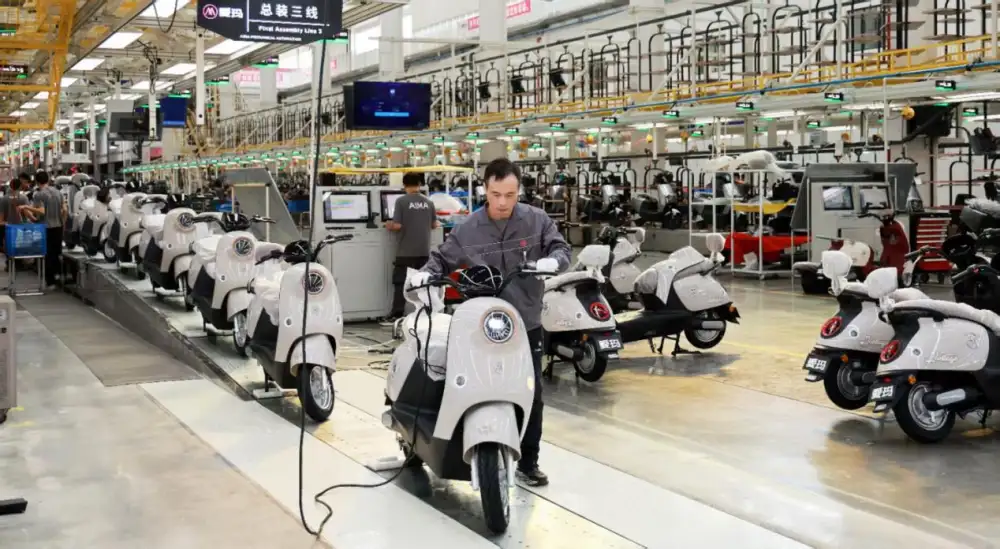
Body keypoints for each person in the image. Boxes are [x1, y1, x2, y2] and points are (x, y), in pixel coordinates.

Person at [411, 158, 571, 486]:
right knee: (462, 382)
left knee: (531, 393)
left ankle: (529, 461)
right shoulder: (468, 228)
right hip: (480, 325)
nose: (502, 202)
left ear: (519, 191)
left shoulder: (537, 220)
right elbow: (441, 259)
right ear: (485, 189)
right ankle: (448, 442)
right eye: (496, 194)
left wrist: (553, 261)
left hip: (525, 323)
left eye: (510, 195)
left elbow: (561, 248)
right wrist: (425, 276)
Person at [384, 172, 439, 324]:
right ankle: (426, 313)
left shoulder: (401, 201)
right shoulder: (429, 202)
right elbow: (434, 225)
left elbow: (397, 225)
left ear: (404, 185)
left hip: (406, 251)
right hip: (423, 250)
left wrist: (388, 225)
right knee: (423, 283)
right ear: (419, 184)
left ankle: (396, 314)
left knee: (401, 282)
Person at [25, 171, 65, 288]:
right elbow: (65, 210)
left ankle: (51, 281)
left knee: (48, 254)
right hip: (58, 226)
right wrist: (63, 222)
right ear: (47, 179)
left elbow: (41, 211)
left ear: (37, 182)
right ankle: (58, 276)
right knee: (57, 252)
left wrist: (27, 208)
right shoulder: (58, 192)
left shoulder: (39, 195)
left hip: (46, 227)